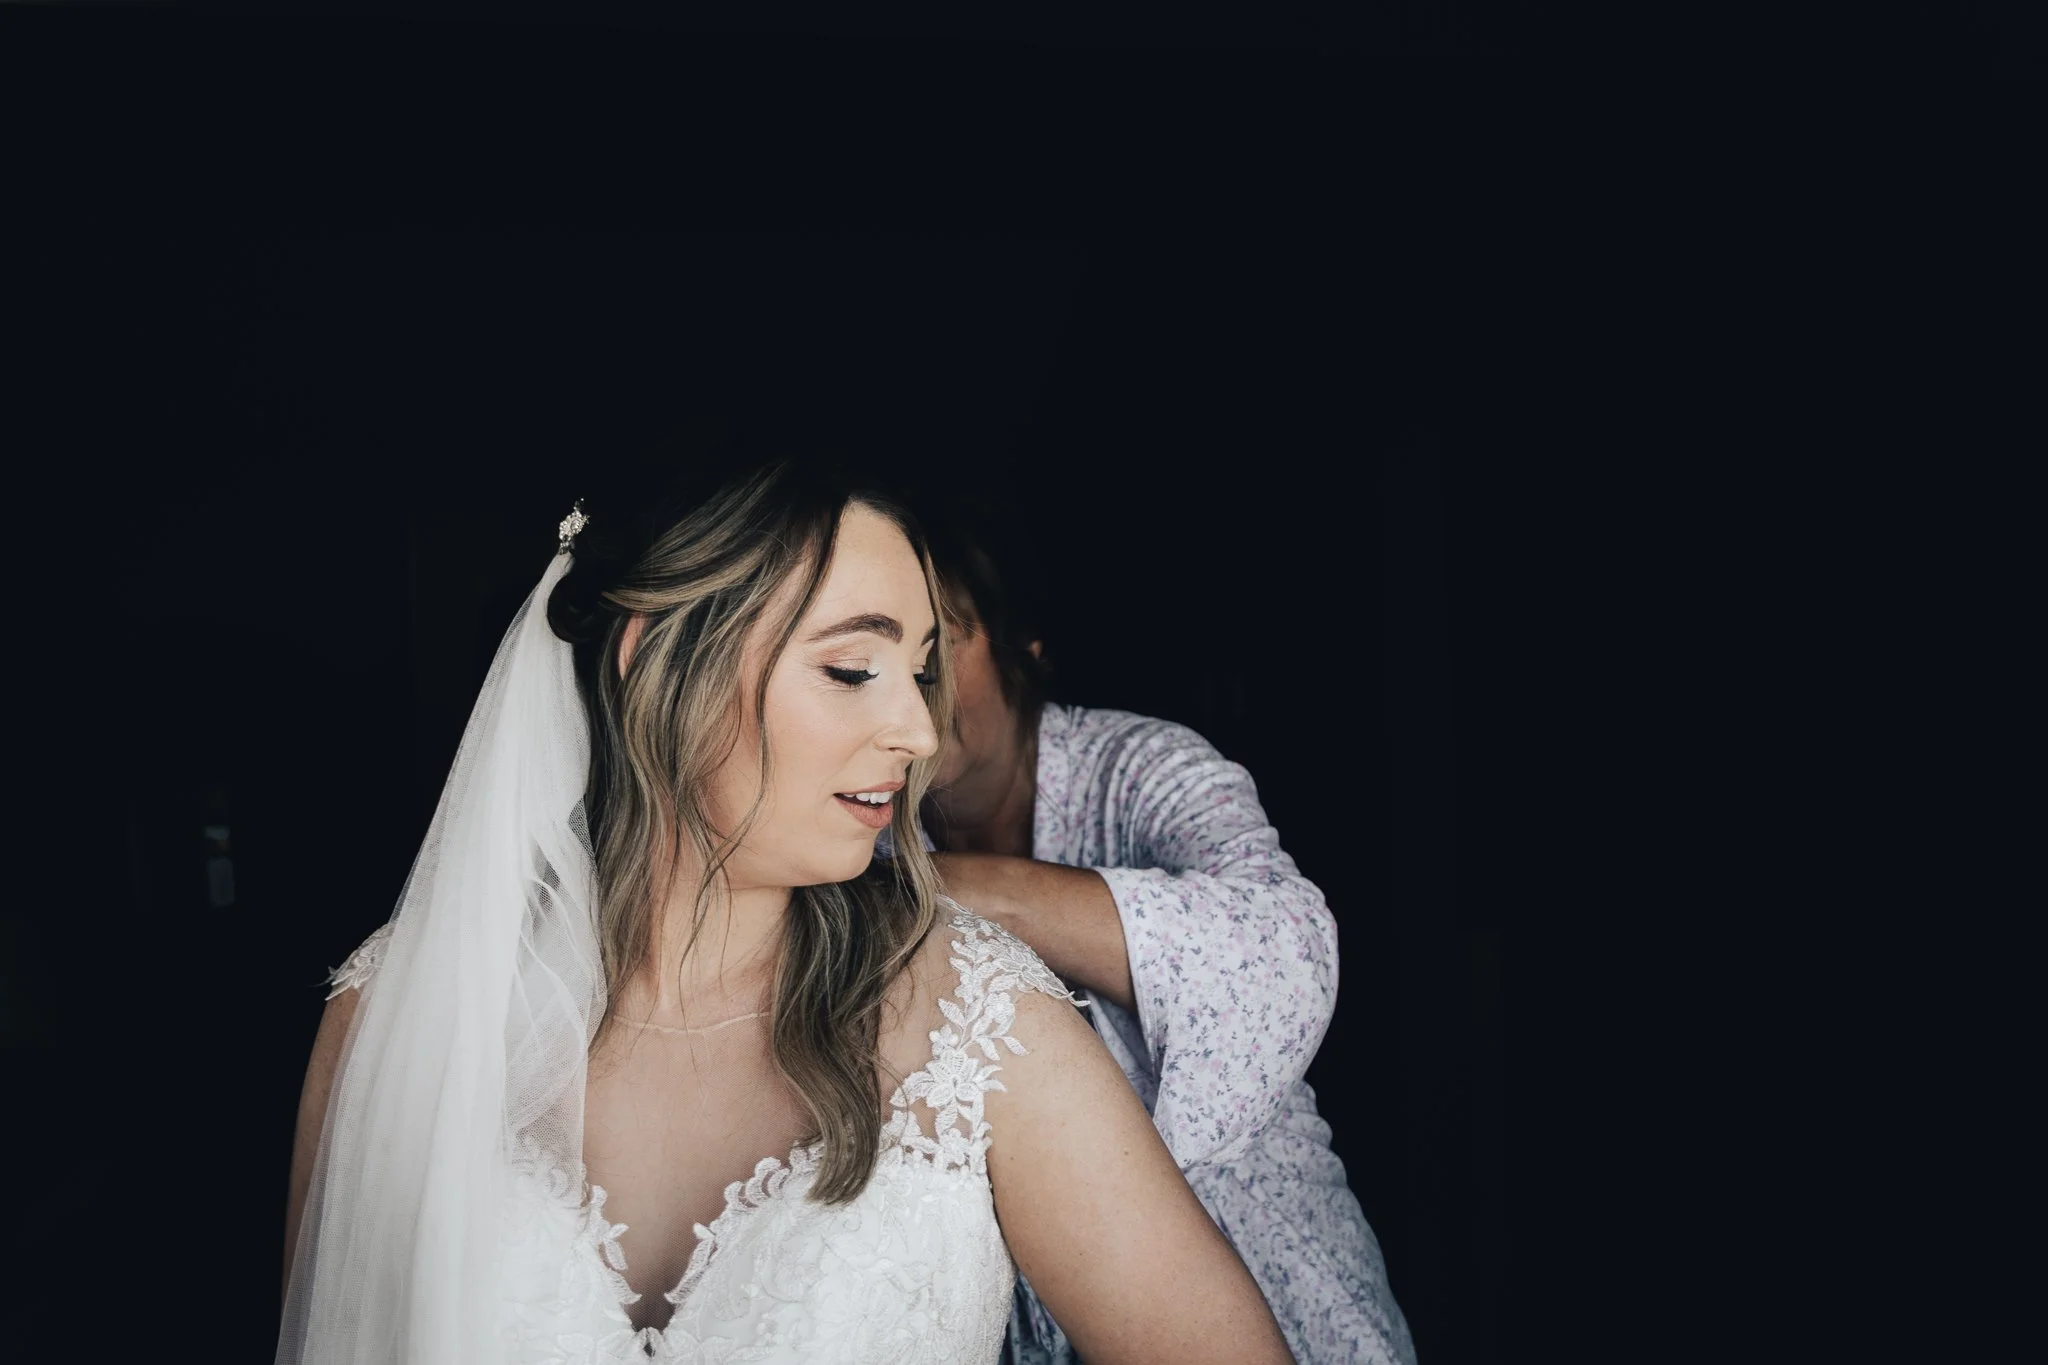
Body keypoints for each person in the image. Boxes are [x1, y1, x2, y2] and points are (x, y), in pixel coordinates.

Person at [279, 462, 1294, 1365]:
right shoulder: (395, 1009)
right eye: (853, 668)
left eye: (921, 671)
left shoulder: (982, 1029)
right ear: (656, 659)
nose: (914, 729)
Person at [914, 512, 1418, 1365]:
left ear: (1019, 650)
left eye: (940, 644)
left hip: (1261, 1261)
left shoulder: (1149, 768)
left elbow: (1287, 947)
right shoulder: (864, 832)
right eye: (877, 658)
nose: (911, 685)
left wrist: (957, 891)